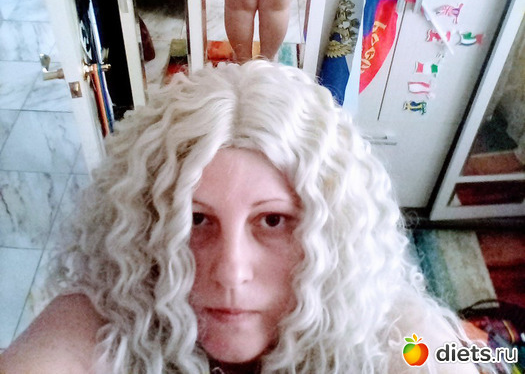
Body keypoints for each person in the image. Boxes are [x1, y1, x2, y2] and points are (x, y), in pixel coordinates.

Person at [0, 60, 480, 374]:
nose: (231, 272)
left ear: (333, 234)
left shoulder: (391, 330)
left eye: (272, 221)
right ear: (143, 231)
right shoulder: (103, 317)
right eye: (195, 220)